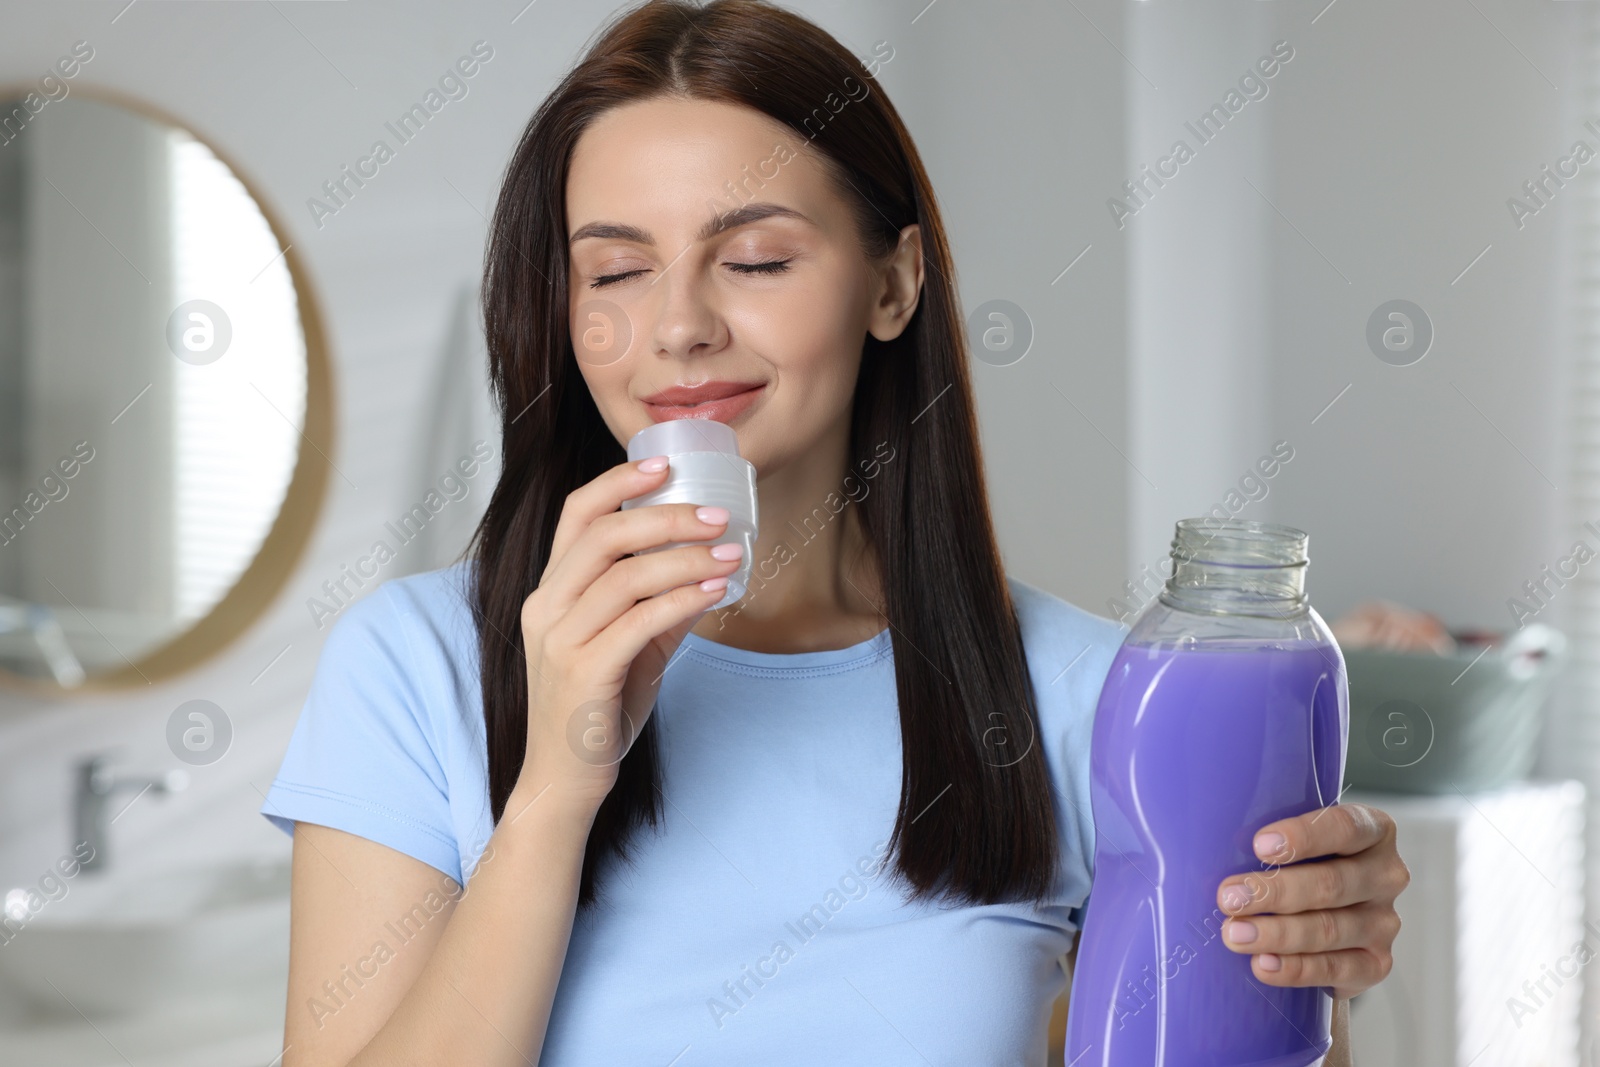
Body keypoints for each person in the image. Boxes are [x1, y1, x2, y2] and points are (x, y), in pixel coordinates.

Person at [259, 2, 1408, 1064]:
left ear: (893, 284)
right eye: (615, 269)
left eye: (754, 260)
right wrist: (556, 787)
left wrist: (1313, 957)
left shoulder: (1102, 695)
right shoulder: (413, 665)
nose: (677, 326)